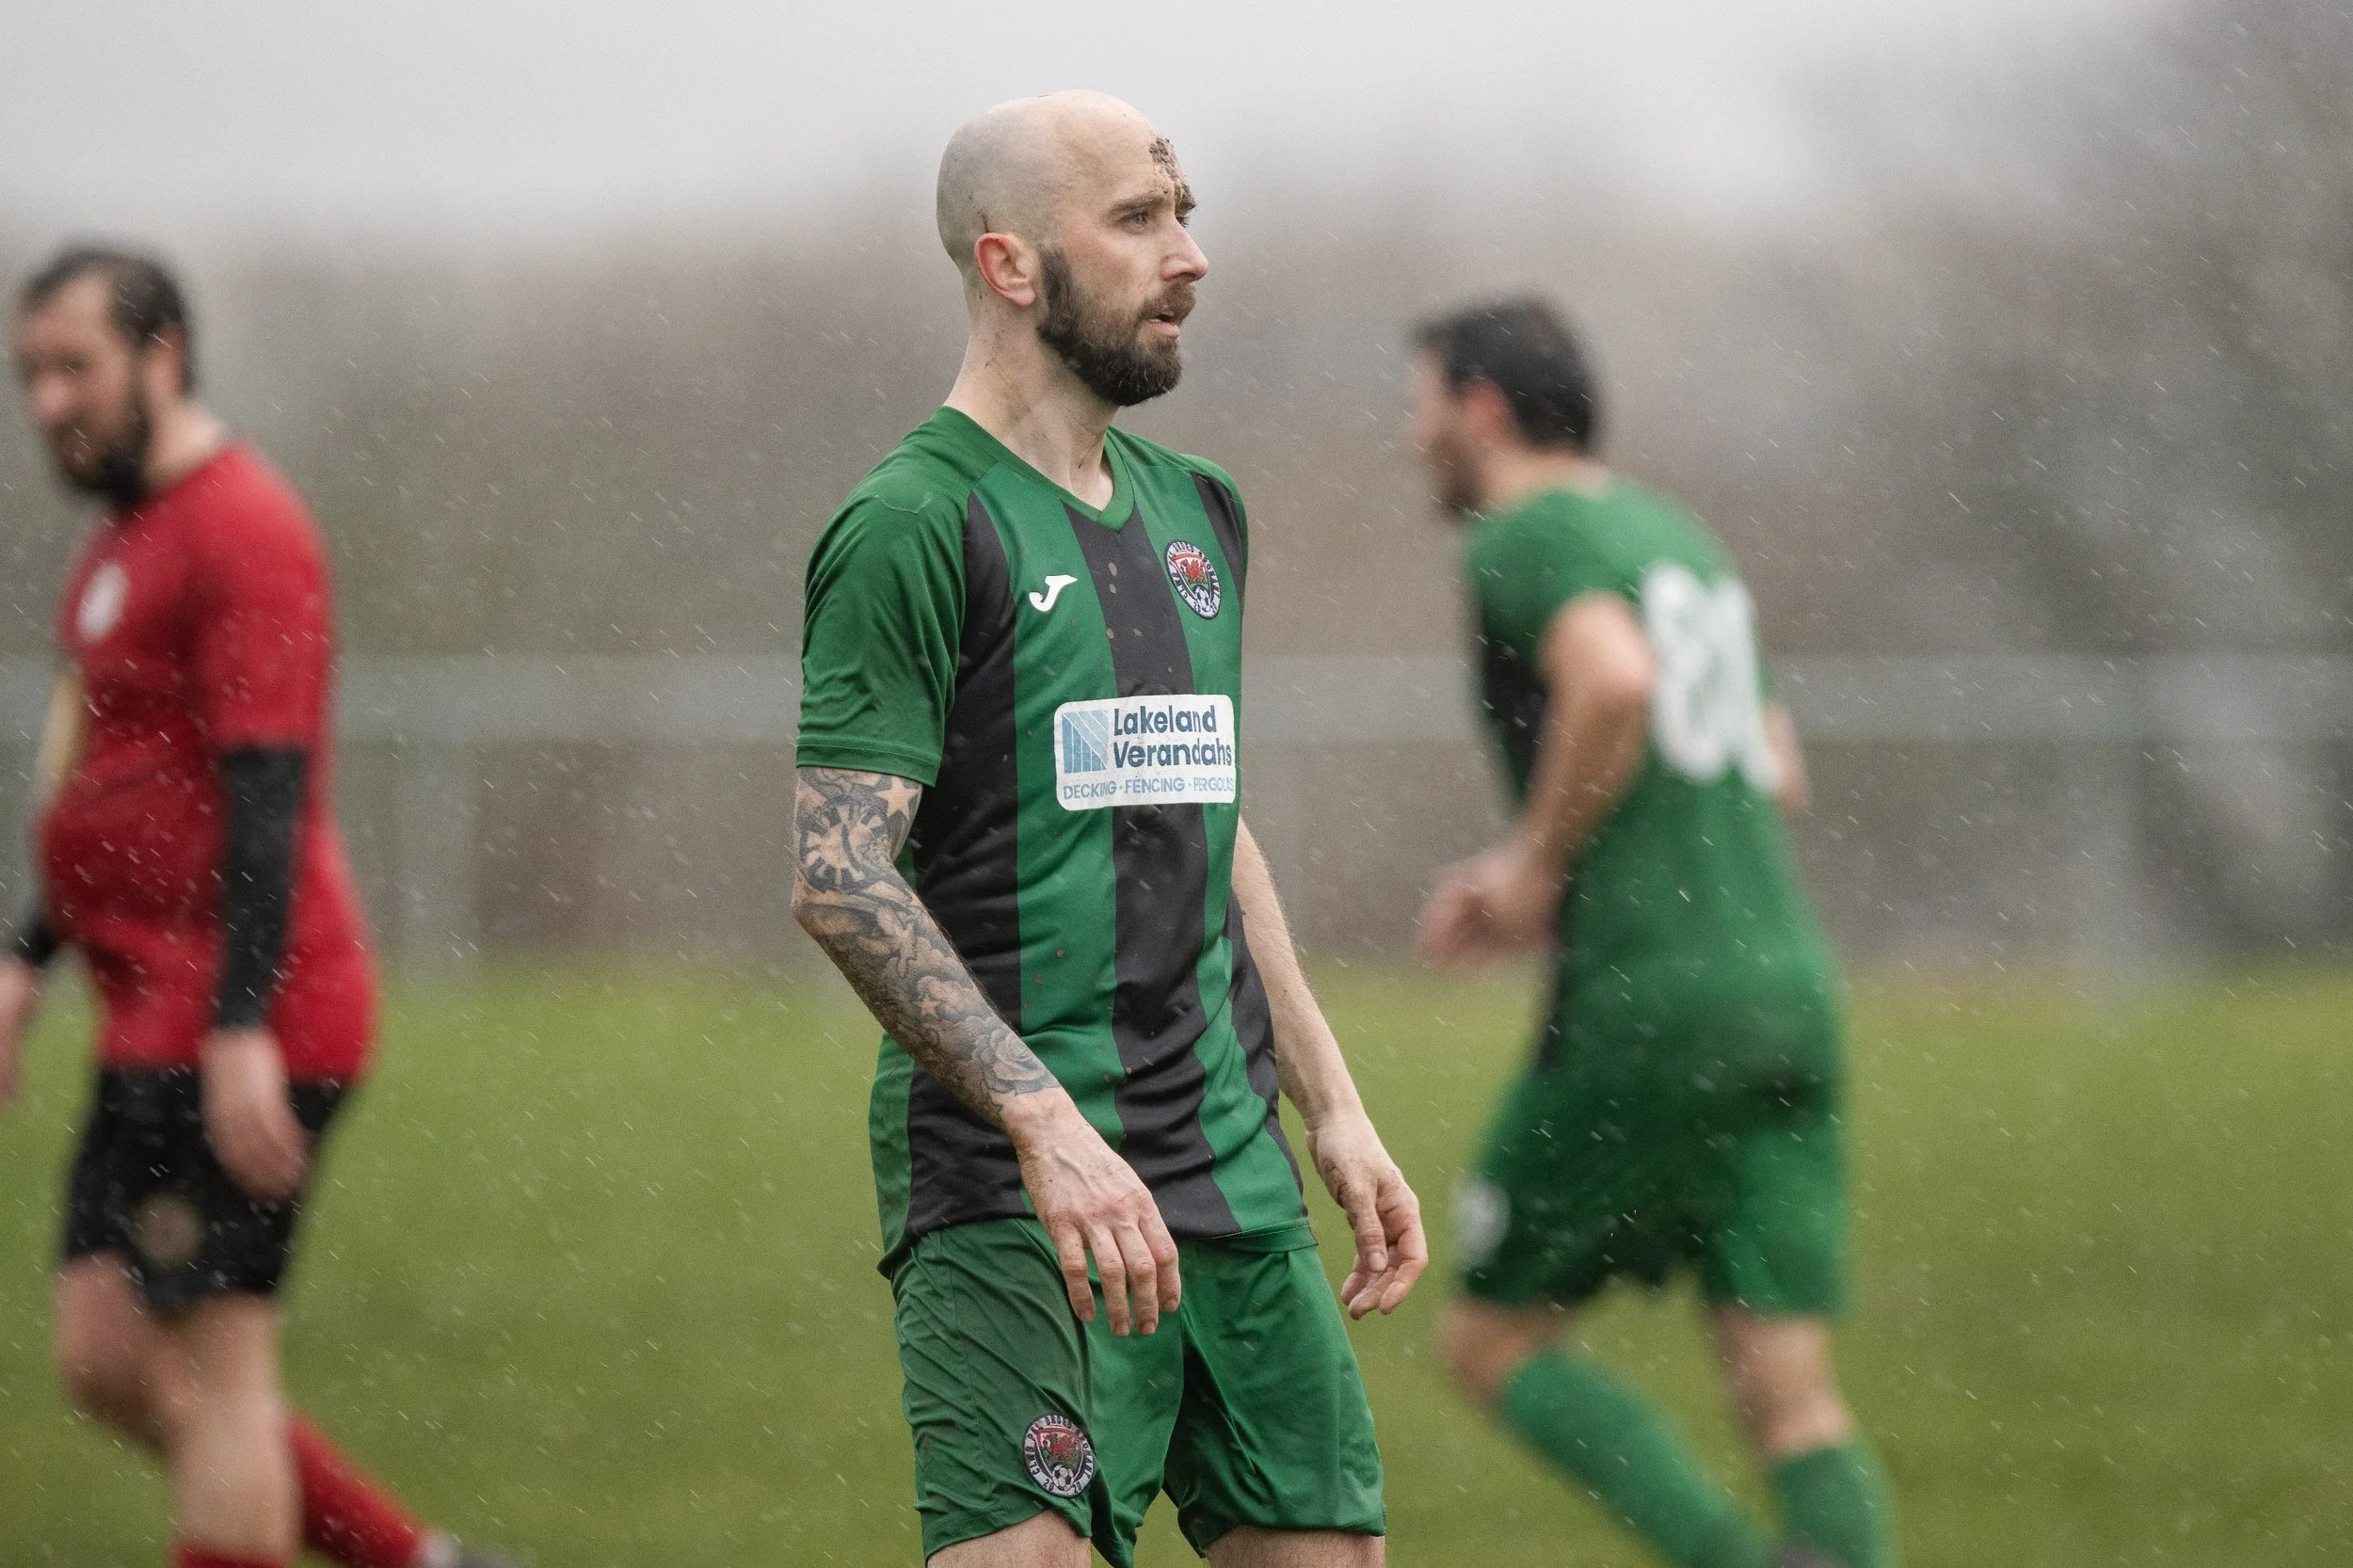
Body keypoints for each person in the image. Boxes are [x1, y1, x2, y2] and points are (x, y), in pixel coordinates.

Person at [792, 92, 1427, 1568]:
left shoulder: (1199, 510)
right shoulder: (911, 522)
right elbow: (836, 876)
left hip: (1230, 1171)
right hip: (1024, 1196)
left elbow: (1209, 824)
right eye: (1140, 219)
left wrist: (1331, 1106)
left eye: (1184, 210)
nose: (1190, 256)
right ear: (1011, 266)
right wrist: (1045, 1126)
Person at [0, 247, 509, 1568]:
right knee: (108, 1356)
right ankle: (418, 1559)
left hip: (243, 1017)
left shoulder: (243, 527)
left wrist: (240, 1030)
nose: (48, 402)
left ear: (162, 354)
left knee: (214, 1372)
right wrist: (25, 948)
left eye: (75, 369)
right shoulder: (122, 537)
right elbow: (104, 778)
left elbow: (270, 796)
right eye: (29, 374)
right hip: (148, 1014)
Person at [1407, 298, 1898, 1568]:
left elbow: (1615, 679)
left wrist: (1534, 867)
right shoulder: (1676, 533)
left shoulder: (1526, 535)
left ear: (1481, 408)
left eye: (1420, 406)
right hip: (1784, 986)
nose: (1412, 440)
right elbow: (1773, 764)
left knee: (1490, 1337)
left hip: (1651, 1002)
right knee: (1791, 1396)